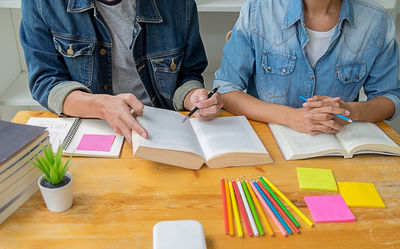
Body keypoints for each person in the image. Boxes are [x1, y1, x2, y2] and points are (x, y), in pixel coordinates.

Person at [20, 0, 223, 143]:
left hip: (161, 129)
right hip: (91, 126)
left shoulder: (179, 4)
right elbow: (45, 81)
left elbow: (189, 73)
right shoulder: (42, 3)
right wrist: (101, 106)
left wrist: (193, 98)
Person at [214, 0, 400, 135]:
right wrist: (290, 117)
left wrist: (349, 111)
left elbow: (389, 98)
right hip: (268, 140)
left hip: (337, 144)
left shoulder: (377, 20)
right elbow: (226, 90)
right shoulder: (258, 10)